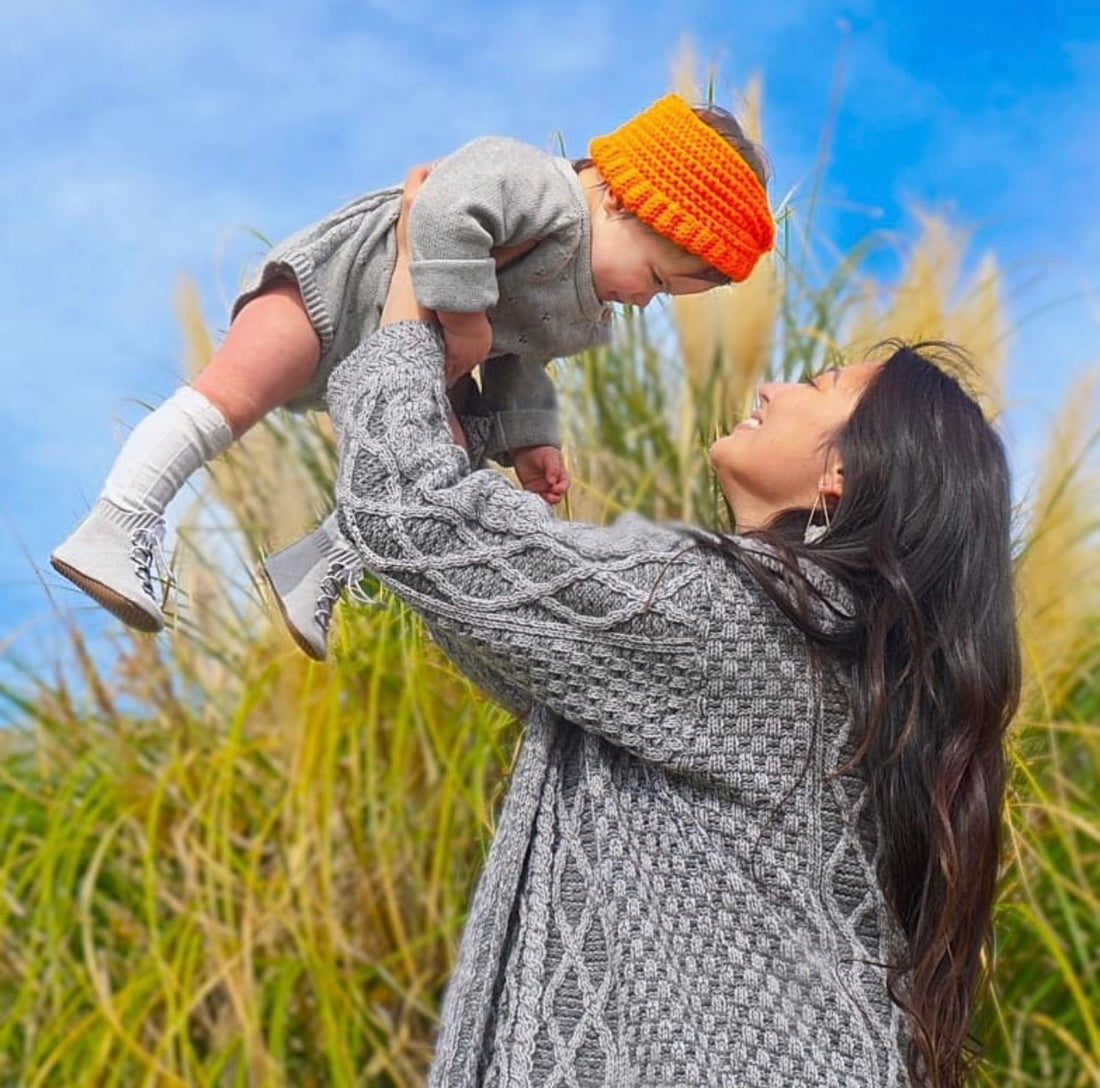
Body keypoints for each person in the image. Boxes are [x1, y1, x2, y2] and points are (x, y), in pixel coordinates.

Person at [323, 170, 1021, 1087]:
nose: (773, 385)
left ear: (846, 474)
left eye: (817, 385)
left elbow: (413, 520)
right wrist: (458, 402)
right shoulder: (819, 643)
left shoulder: (754, 618)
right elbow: (477, 599)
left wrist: (418, 284)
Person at [49, 93, 774, 661]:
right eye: (655, 277)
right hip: (338, 285)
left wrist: (530, 436)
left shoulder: (575, 298)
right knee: (230, 394)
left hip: (406, 350)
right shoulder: (538, 188)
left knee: (438, 460)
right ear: (619, 197)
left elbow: (519, 354)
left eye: (664, 298)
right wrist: (463, 323)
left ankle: (316, 567)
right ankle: (119, 524)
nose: (646, 300)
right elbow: (441, 209)